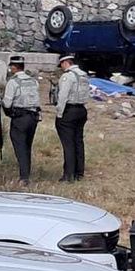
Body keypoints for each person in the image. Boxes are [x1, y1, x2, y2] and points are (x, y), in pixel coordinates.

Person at [2, 55, 41, 186]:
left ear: (13, 67)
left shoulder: (13, 82)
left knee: (20, 146)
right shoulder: (33, 81)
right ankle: (26, 173)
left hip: (19, 117)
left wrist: (8, 112)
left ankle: (24, 177)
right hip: (33, 117)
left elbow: (7, 103)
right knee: (27, 146)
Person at [54, 54, 90, 183]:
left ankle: (68, 174)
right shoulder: (84, 75)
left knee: (68, 144)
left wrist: (59, 114)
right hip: (81, 109)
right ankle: (79, 172)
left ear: (65, 63)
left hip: (69, 110)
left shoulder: (67, 76)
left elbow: (63, 96)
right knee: (78, 142)